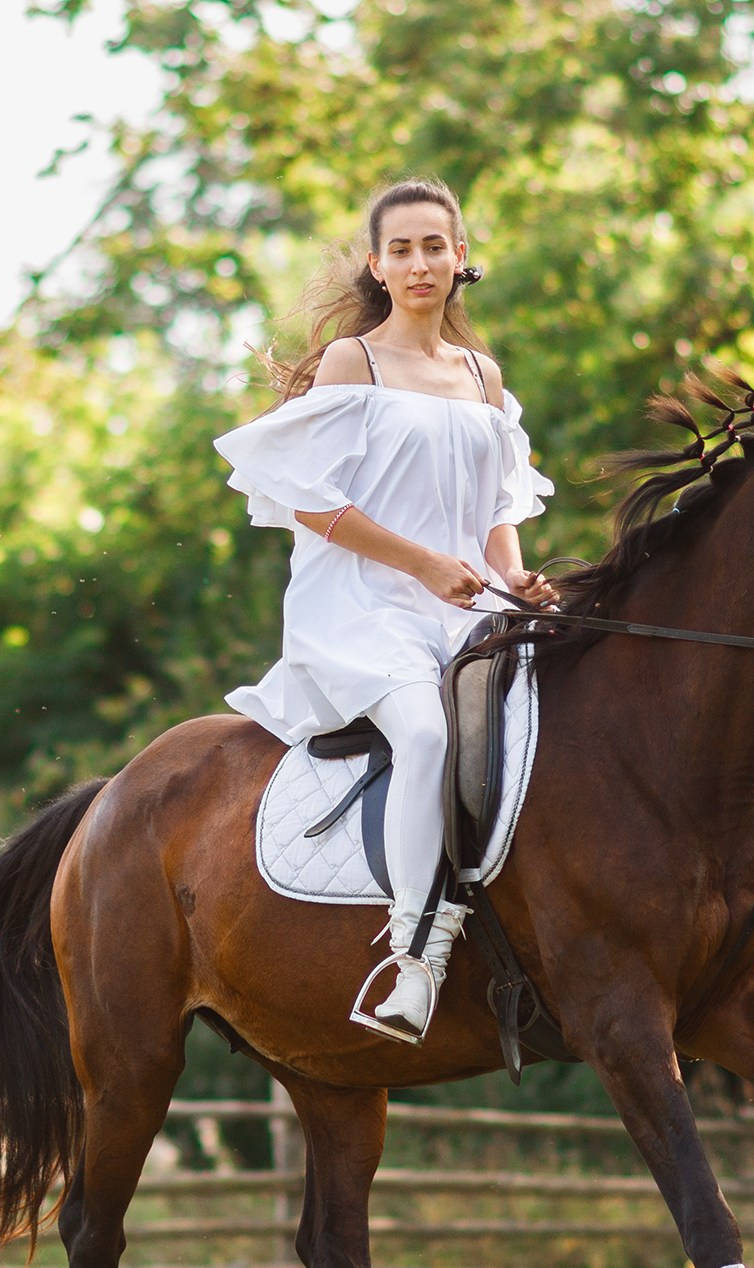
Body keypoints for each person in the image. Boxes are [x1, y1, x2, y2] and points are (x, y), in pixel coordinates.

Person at [214, 178, 556, 1043]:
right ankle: (414, 958)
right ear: (377, 264)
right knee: (430, 735)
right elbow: (307, 501)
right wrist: (424, 564)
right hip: (361, 607)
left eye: (434, 246)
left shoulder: (484, 376)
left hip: (465, 604)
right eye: (400, 249)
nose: (419, 263)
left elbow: (498, 516)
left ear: (461, 258)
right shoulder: (352, 364)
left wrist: (513, 581)